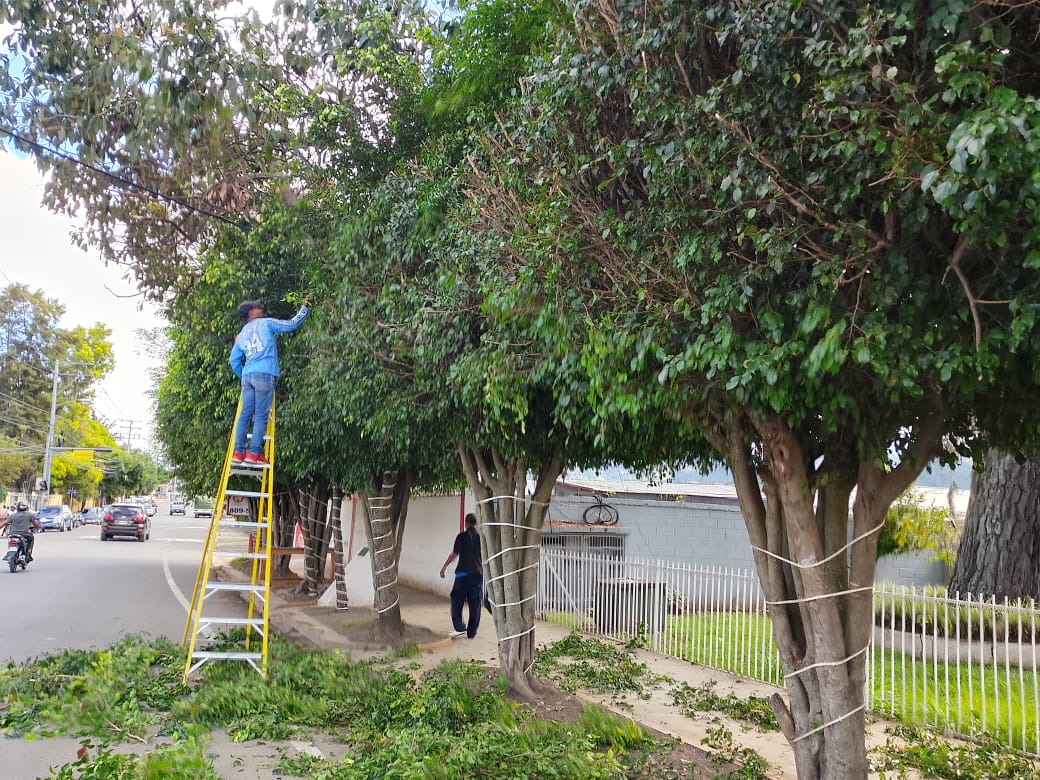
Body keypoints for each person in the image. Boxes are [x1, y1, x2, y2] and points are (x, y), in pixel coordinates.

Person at [229, 299, 310, 465]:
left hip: (247, 377)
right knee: (260, 416)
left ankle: (238, 453)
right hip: (264, 374)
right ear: (251, 312)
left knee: (245, 414)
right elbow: (291, 325)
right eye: (258, 307)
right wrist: (305, 309)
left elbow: (234, 361)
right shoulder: (265, 323)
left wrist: (244, 374)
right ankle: (254, 454)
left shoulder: (241, 334)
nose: (261, 309)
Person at [439, 512, 483, 639]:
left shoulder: (461, 537)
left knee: (457, 599)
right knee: (475, 603)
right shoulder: (481, 537)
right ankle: (472, 632)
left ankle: (459, 627)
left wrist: (444, 567)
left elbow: (454, 554)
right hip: (478, 574)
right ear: (475, 523)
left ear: (466, 523)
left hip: (463, 574)